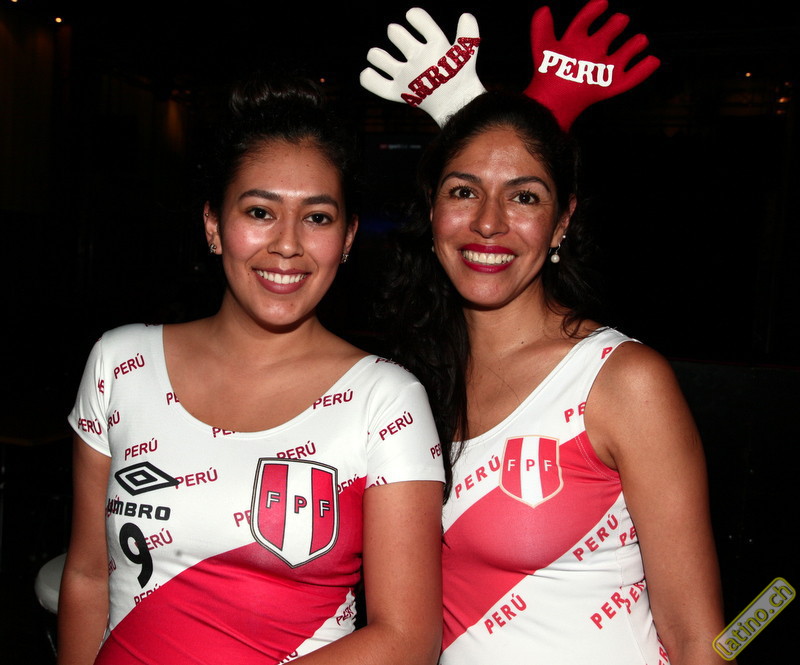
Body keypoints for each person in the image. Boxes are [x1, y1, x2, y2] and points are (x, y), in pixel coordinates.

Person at [57, 75, 445, 665]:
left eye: (318, 217)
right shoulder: (120, 364)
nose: (287, 244)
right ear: (213, 224)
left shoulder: (387, 401)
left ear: (347, 237)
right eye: (260, 211)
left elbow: (407, 640)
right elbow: (87, 574)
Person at [378, 89, 730, 664]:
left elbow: (699, 640)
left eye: (524, 197)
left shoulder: (620, 381)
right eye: (463, 191)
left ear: (562, 221)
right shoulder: (400, 385)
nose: (488, 222)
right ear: (432, 210)